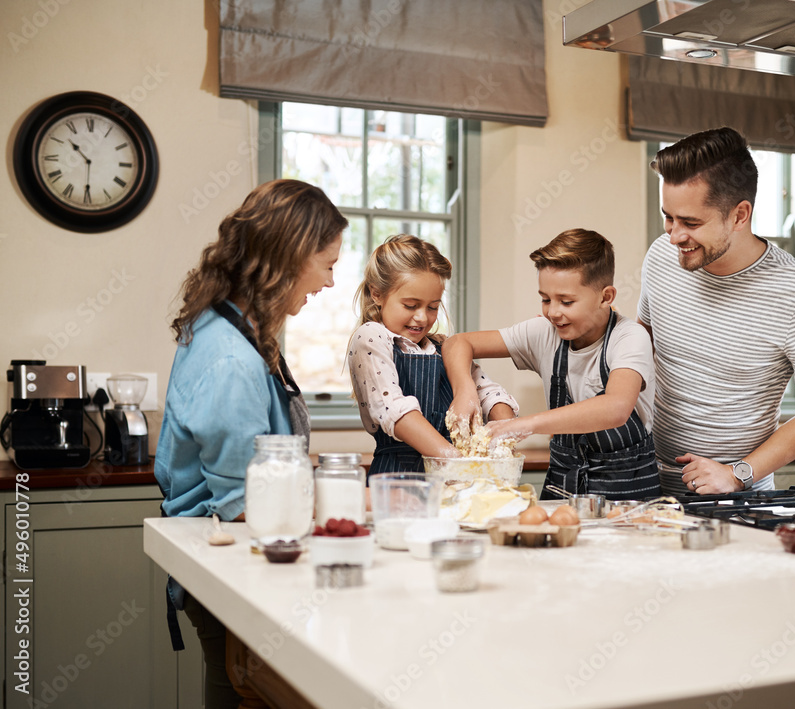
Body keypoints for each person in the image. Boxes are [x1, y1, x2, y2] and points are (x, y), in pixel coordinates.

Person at [155, 179, 348, 709]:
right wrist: (370, 503)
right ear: (289, 257)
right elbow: (247, 507)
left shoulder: (229, 327)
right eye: (328, 264)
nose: (331, 282)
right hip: (226, 565)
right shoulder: (232, 359)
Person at [639, 127, 795, 497]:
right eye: (668, 217)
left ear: (740, 215)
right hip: (646, 488)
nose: (673, 236)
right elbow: (641, 350)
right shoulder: (661, 257)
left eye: (690, 223)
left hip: (737, 499)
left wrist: (737, 474)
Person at [444, 228, 660, 501]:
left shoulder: (629, 338)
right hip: (562, 488)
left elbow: (616, 407)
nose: (553, 312)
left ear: (606, 297)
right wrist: (465, 390)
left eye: (566, 301)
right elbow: (457, 343)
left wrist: (522, 425)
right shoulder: (545, 332)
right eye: (545, 299)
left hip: (627, 493)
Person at [348, 234, 517, 474]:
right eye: (410, 305)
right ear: (377, 294)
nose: (422, 317)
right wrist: (457, 464)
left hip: (453, 475)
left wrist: (504, 435)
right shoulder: (371, 337)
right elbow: (397, 413)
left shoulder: (443, 347)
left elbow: (488, 393)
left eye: (433, 307)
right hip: (400, 477)